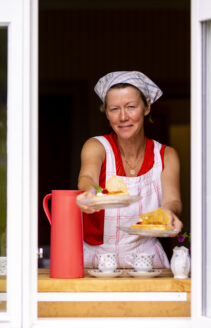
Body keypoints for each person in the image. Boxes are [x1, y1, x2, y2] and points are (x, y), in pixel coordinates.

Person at [76, 71, 183, 269]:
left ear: (147, 106)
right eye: (114, 109)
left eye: (131, 107)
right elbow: (87, 178)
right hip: (97, 259)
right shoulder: (96, 146)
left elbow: (172, 200)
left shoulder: (166, 155)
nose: (123, 117)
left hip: (147, 259)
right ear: (106, 112)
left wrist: (169, 212)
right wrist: (90, 194)